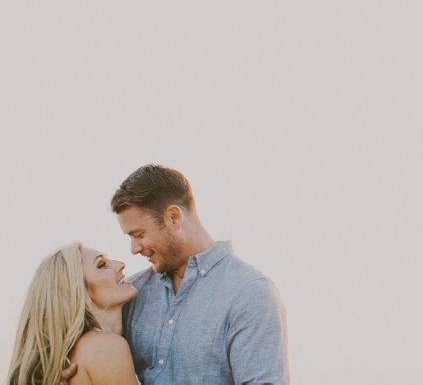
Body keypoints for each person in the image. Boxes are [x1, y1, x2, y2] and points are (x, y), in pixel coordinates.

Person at [111, 164, 289, 384]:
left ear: (174, 217)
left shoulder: (249, 293)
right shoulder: (133, 291)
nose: (134, 248)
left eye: (139, 234)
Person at [6, 243, 139, 385]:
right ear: (78, 291)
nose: (120, 264)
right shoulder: (105, 347)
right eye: (101, 265)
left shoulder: (78, 354)